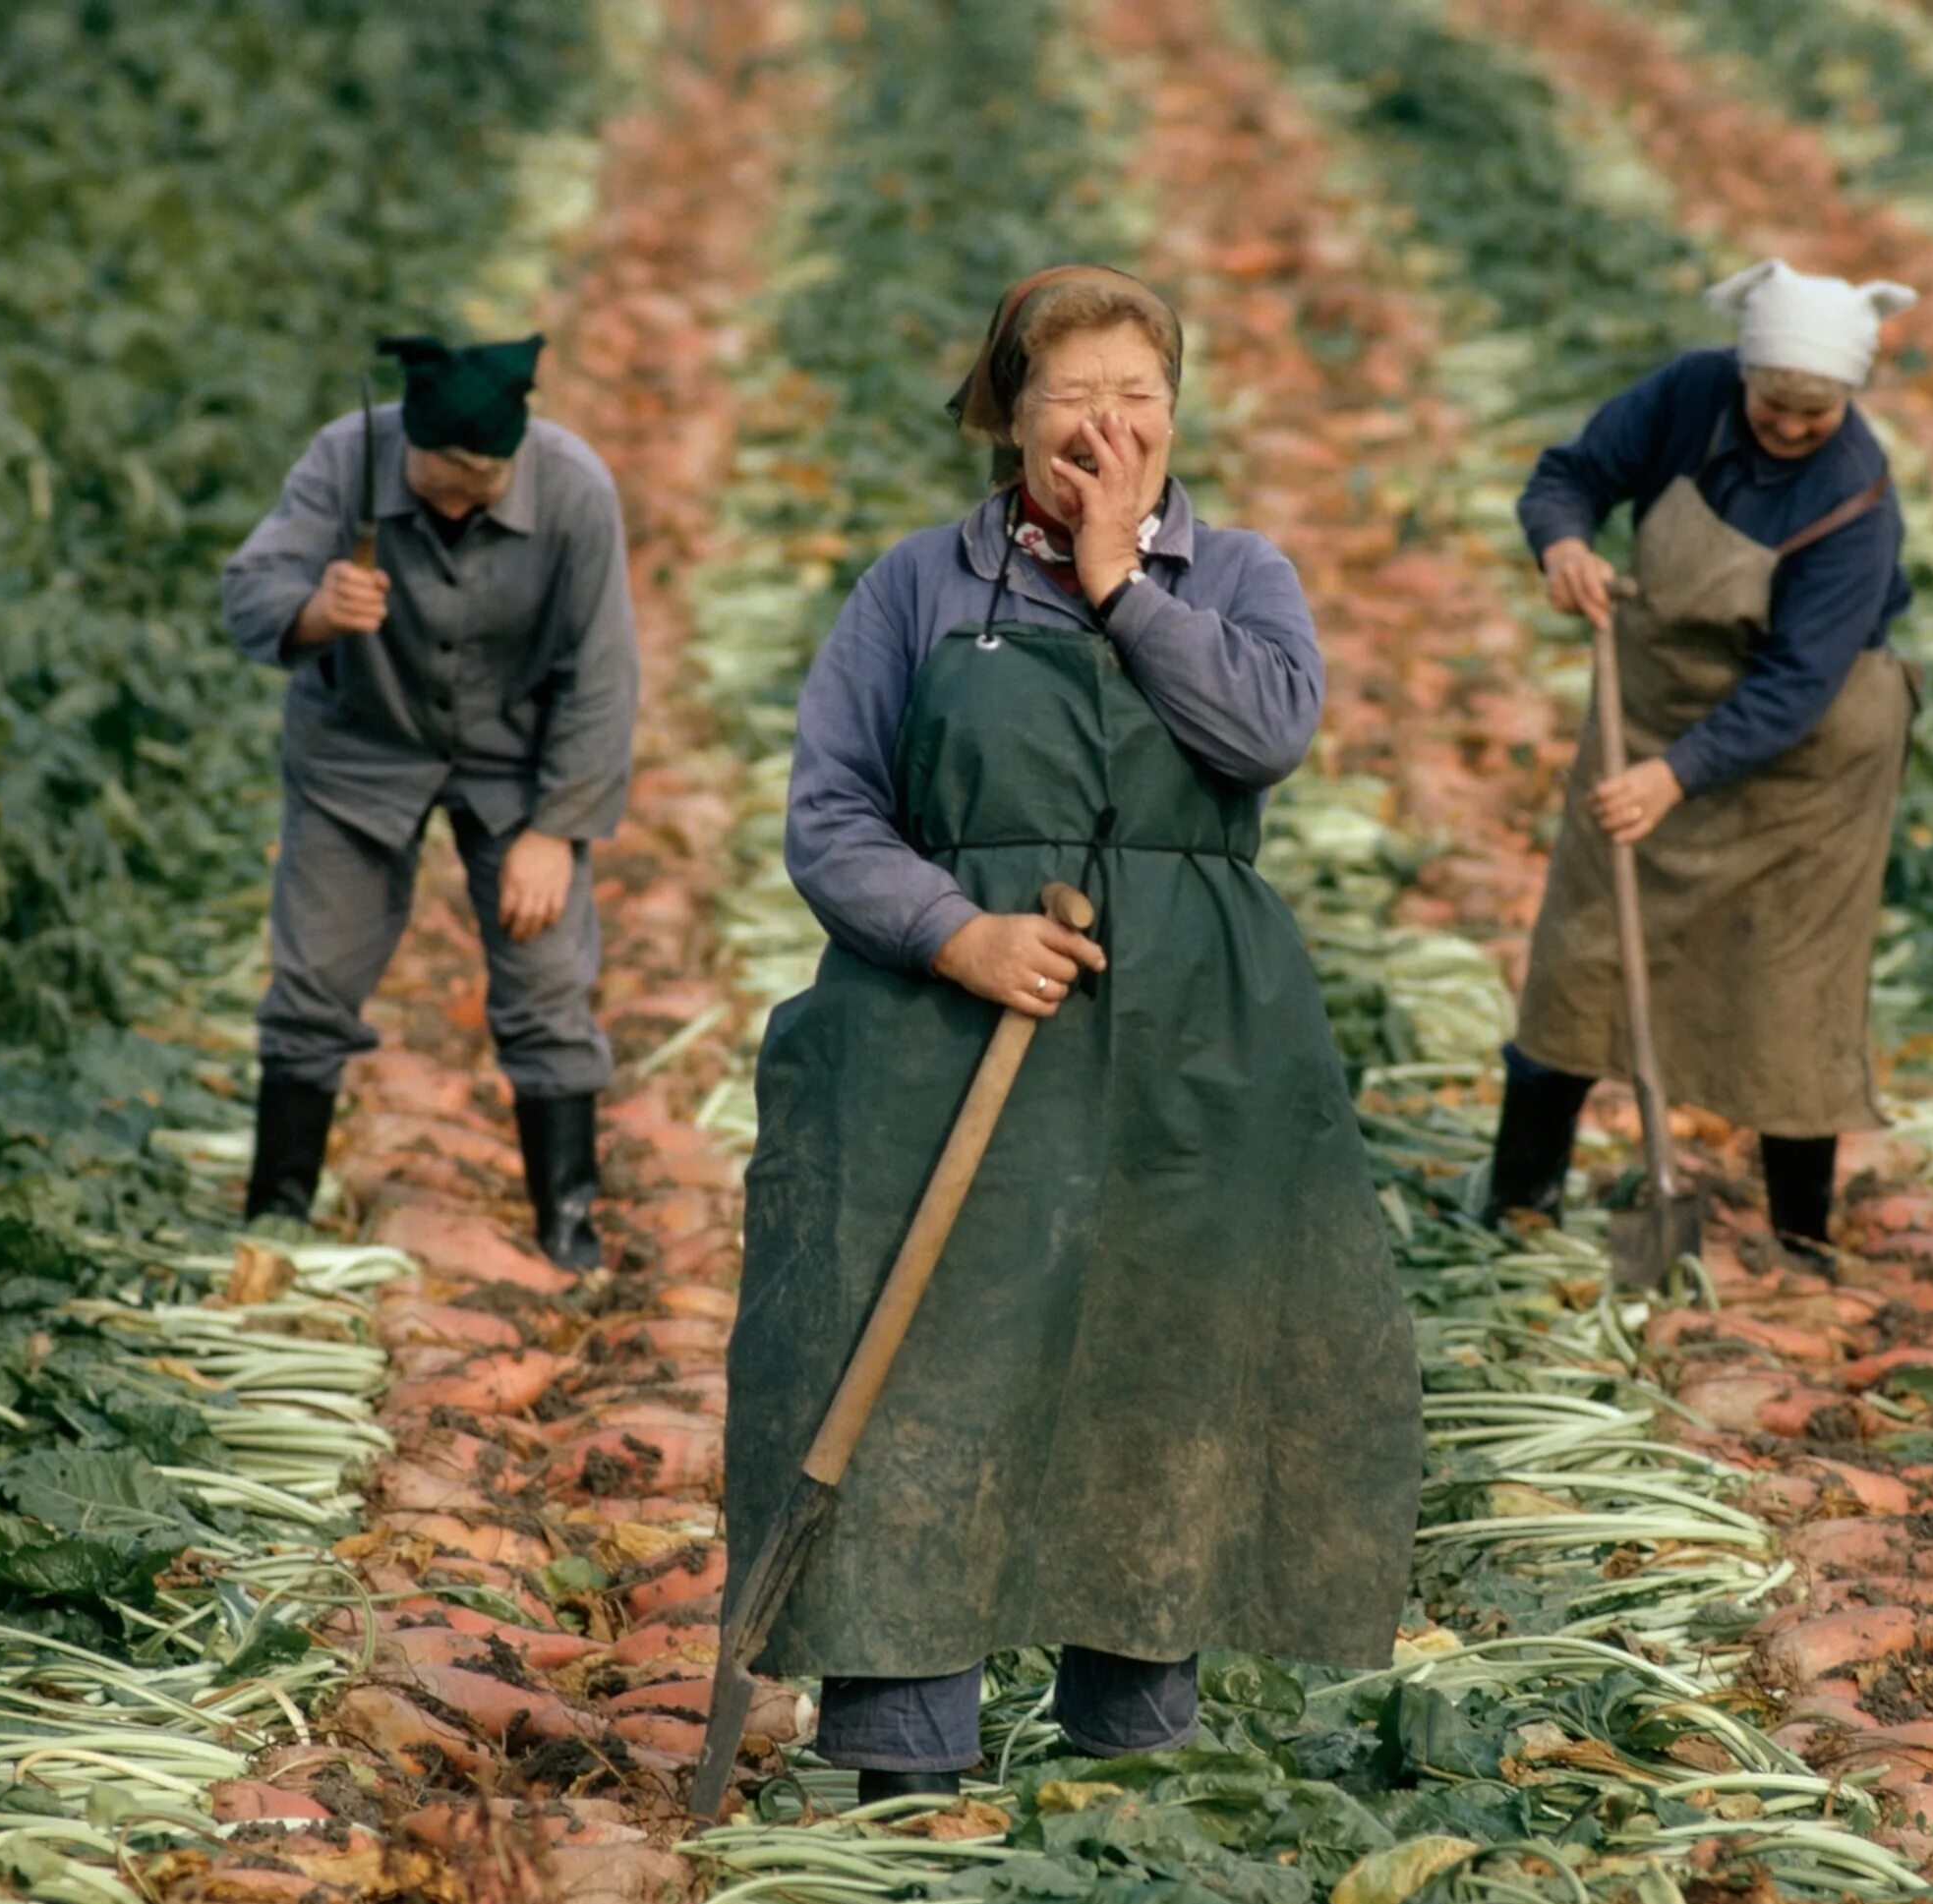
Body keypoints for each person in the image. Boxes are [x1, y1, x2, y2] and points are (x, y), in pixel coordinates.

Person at [721, 266, 1421, 1801]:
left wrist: (1121, 584)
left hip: (1187, 1054)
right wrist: (955, 930)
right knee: (928, 1373)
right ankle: (909, 1760)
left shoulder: (1237, 575)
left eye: (1141, 398)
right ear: (1007, 417)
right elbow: (830, 812)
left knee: (1159, 1368)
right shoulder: (916, 585)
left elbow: (1263, 733)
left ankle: (1126, 1760)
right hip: (939, 1041)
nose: (1111, 426)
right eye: (1075, 398)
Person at [1492, 260, 1922, 1264]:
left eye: (1816, 413)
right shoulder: (1689, 396)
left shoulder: (1857, 500)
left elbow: (1794, 684)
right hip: (1655, 699)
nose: (1790, 424)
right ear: (1746, 374)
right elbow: (1569, 477)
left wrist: (1675, 777)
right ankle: (1518, 1203)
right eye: (1776, 402)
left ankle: (1801, 1239)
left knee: (1790, 982)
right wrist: (1563, 547)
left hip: (1807, 760)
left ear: (1848, 399)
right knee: (1586, 947)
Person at [220, 333, 637, 1272]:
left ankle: (567, 1222)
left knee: (547, 985)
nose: (455, 498)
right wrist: (315, 612)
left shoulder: (574, 491)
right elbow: (248, 592)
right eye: (439, 479)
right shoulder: (345, 459)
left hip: (517, 761)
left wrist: (556, 831)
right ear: (405, 440)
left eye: (479, 485)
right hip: (359, 751)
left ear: (513, 457)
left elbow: (603, 677)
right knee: (312, 978)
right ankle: (276, 1208)